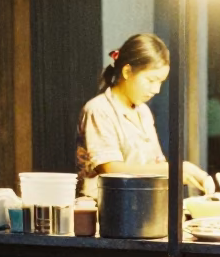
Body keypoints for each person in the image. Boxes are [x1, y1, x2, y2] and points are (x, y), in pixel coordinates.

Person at [76, 33, 209, 198]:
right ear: (127, 71)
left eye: (160, 82)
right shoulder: (99, 109)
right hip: (104, 209)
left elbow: (154, 164)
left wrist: (192, 174)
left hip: (141, 206)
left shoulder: (143, 112)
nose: (156, 89)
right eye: (151, 80)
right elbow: (110, 169)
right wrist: (175, 169)